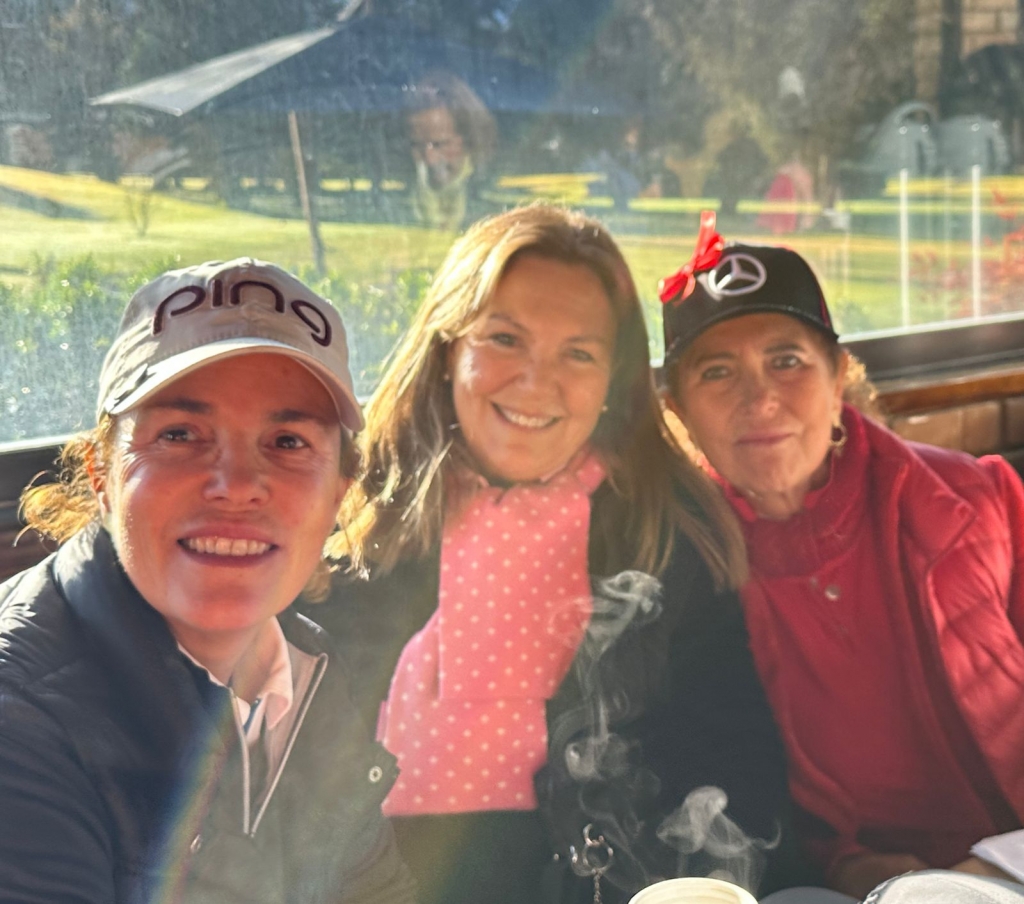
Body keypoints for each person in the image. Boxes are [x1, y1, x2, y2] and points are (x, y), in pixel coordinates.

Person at [302, 203, 800, 904]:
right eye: (505, 339)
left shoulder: (665, 532)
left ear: (613, 382)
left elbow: (733, 765)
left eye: (578, 353)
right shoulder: (350, 522)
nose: (536, 382)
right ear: (448, 349)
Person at [0, 259, 417, 904]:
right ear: (102, 474)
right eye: (181, 434)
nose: (237, 485)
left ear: (339, 492)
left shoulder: (304, 673)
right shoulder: (21, 720)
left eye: (287, 441)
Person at [660, 212, 1024, 901]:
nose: (759, 397)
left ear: (838, 381)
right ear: (681, 412)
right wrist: (847, 870)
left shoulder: (980, 499)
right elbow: (729, 787)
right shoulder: (687, 574)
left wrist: (998, 865)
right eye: (718, 372)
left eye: (787, 361)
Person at [405, 69, 497, 231]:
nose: (430, 159)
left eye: (440, 144)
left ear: (469, 141)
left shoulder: (496, 204)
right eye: (417, 145)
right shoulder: (391, 205)